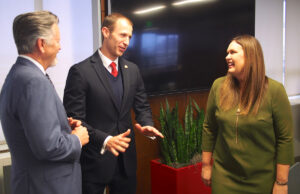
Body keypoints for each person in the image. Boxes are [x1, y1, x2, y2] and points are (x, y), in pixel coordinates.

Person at [63, 13, 164, 194]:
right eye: (122, 35)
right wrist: (106, 140)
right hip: (93, 163)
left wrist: (146, 124)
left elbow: (142, 106)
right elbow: (74, 119)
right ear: (106, 32)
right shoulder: (81, 72)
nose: (127, 41)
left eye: (130, 37)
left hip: (126, 163)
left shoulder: (132, 70)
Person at [0, 11, 89, 194]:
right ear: (41, 44)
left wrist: (63, 126)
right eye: (57, 41)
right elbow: (48, 147)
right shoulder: (33, 81)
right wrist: (77, 139)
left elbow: (35, 132)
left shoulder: (17, 75)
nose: (60, 47)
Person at [201, 34, 294, 194]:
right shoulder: (218, 86)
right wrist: (206, 165)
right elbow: (209, 128)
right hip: (224, 177)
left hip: (262, 179)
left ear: (251, 56)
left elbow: (285, 139)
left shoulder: (275, 91)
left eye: (233, 52)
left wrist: (281, 182)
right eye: (227, 52)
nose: (227, 57)